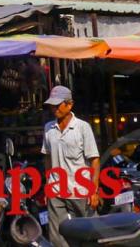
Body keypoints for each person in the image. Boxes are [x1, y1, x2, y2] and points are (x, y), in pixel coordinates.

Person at [42, 86, 100, 247]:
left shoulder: (82, 128)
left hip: (80, 190)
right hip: (56, 191)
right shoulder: (49, 129)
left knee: (90, 235)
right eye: (52, 105)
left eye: (57, 105)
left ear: (69, 105)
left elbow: (94, 160)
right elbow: (47, 157)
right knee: (58, 236)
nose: (54, 109)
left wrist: (94, 190)